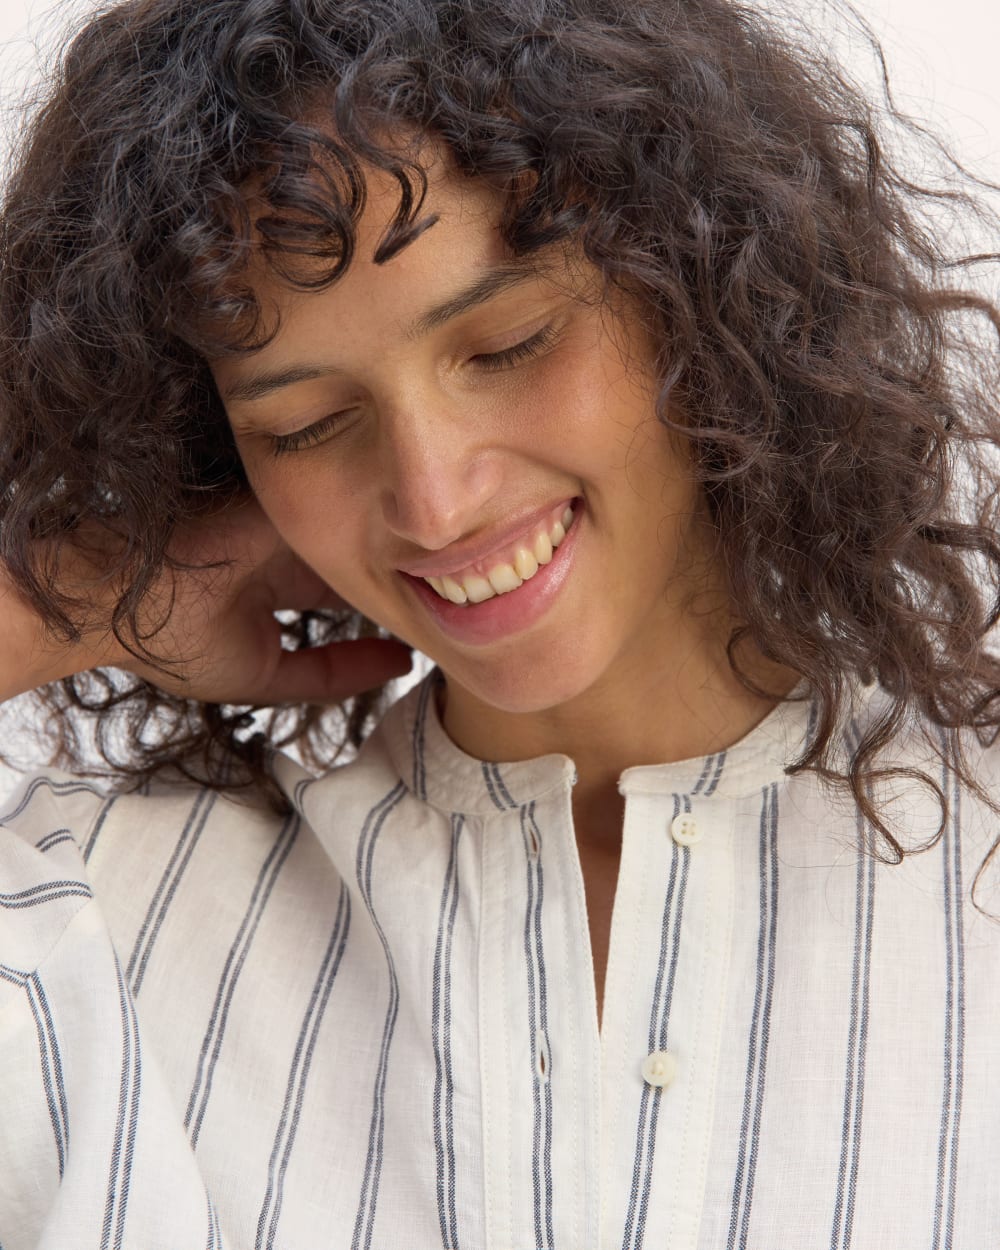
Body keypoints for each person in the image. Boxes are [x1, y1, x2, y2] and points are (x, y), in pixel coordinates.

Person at [0, 0, 998, 1245]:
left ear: (698, 283)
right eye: (303, 423)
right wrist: (57, 606)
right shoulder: (104, 919)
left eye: (510, 341)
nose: (433, 496)